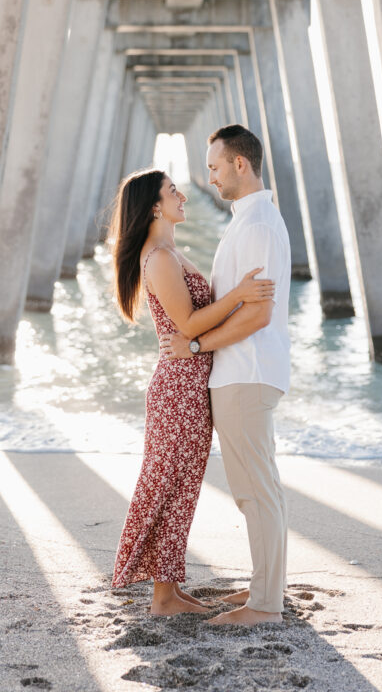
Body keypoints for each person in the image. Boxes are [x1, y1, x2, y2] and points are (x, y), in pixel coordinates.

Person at [109, 167, 276, 616]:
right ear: (154, 207)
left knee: (181, 487)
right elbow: (188, 325)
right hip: (178, 388)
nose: (183, 195)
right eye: (172, 191)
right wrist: (239, 295)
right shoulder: (160, 258)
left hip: (188, 385)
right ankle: (162, 598)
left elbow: (193, 324)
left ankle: (170, 590)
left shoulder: (169, 252)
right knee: (166, 484)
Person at [160, 125, 291, 627]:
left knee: (254, 492)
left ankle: (264, 606)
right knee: (262, 490)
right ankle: (268, 589)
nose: (209, 178)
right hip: (244, 372)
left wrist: (195, 344)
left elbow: (257, 315)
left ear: (240, 164)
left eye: (214, 167)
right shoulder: (249, 221)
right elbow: (242, 303)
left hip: (246, 371)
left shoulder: (257, 225)